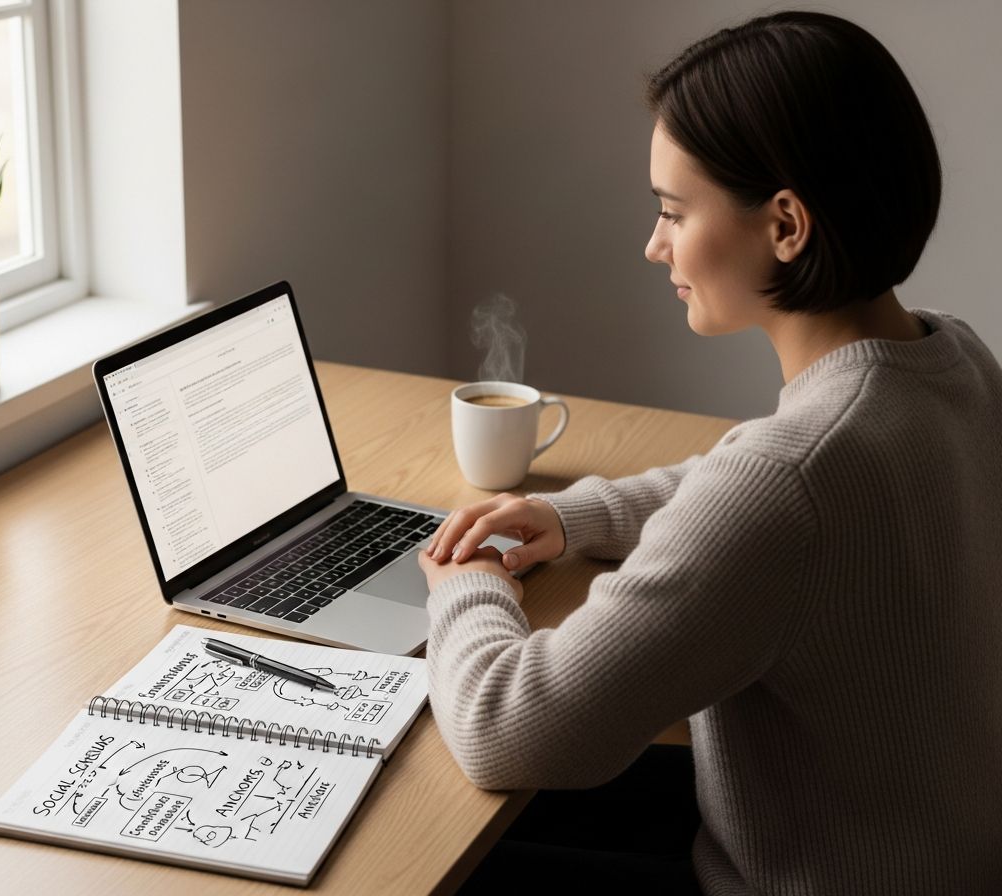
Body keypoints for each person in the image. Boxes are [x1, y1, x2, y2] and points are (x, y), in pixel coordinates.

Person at [419, 10, 1002, 895]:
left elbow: (509, 728)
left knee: (422, 859)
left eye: (673, 212)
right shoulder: (951, 360)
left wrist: (467, 584)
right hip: (925, 852)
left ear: (786, 226)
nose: (654, 245)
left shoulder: (788, 479)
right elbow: (761, 487)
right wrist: (574, 517)